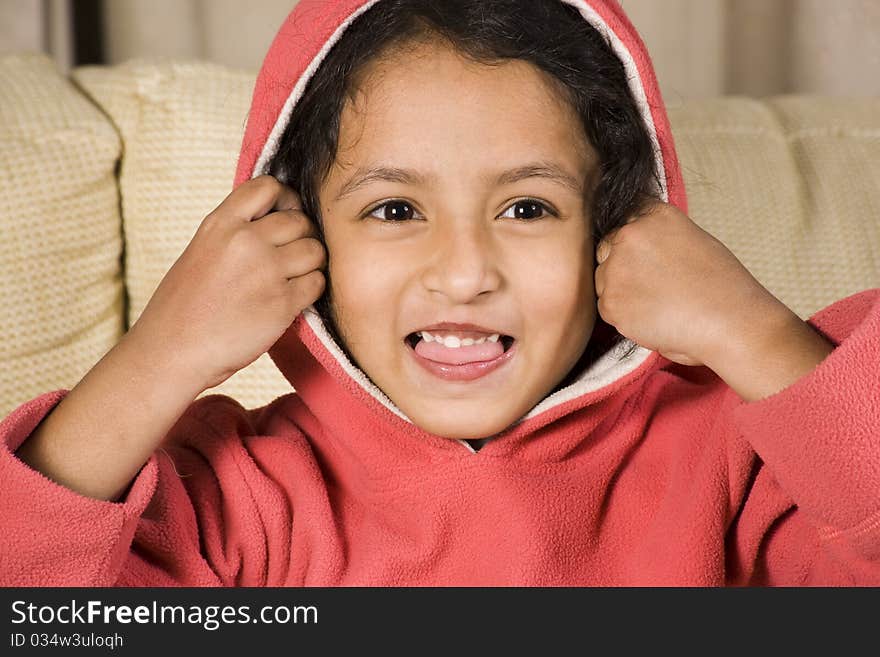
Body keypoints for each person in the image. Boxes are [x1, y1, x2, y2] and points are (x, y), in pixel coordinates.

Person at [1, 0, 878, 587]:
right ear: (301, 238)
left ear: (619, 227)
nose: (464, 271)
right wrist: (162, 354)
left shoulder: (739, 461)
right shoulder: (241, 500)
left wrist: (754, 334)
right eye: (394, 208)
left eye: (527, 207)